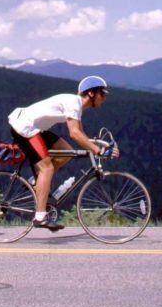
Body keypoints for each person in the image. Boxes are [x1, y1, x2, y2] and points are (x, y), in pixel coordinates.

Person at [8, 75, 120, 231]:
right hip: (25, 128)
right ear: (91, 94)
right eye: (102, 93)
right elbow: (74, 133)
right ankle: (40, 217)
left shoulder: (76, 105)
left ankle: (37, 180)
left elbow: (80, 133)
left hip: (36, 128)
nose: (105, 97)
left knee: (66, 152)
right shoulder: (74, 103)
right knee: (47, 168)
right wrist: (98, 151)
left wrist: (95, 144)